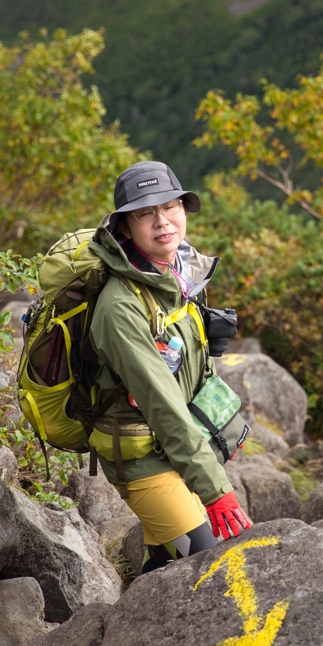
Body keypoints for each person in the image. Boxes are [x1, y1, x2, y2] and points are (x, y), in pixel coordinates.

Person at [87, 160, 251, 572]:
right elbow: (161, 402)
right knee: (213, 562)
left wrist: (222, 425)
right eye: (145, 213)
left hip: (177, 444)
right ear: (124, 228)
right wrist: (214, 490)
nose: (162, 221)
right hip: (143, 456)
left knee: (169, 562)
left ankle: (143, 596)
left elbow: (197, 368)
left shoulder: (178, 276)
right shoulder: (120, 307)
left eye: (171, 206)